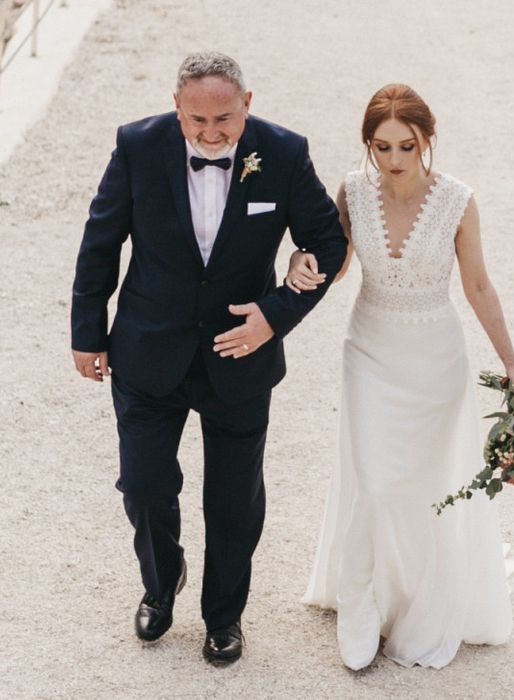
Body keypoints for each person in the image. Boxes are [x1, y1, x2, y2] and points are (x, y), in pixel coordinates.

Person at [70, 51, 347, 666]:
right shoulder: (137, 146)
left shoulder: (284, 152)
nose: (211, 133)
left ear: (247, 103)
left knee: (232, 499)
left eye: (224, 118)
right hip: (146, 351)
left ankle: (224, 617)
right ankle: (162, 580)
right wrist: (87, 332)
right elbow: (101, 240)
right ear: (177, 109)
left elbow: (327, 241)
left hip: (239, 358)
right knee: (144, 485)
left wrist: (275, 315)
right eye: (197, 120)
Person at [292, 84, 514, 669]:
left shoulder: (458, 202)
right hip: (369, 350)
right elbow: (338, 267)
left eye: (406, 145)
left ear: (427, 140)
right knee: (375, 485)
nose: (394, 160)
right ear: (368, 146)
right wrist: (301, 263)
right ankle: (360, 597)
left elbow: (477, 286)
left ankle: (413, 599)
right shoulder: (353, 190)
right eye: (382, 146)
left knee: (421, 489)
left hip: (436, 361)